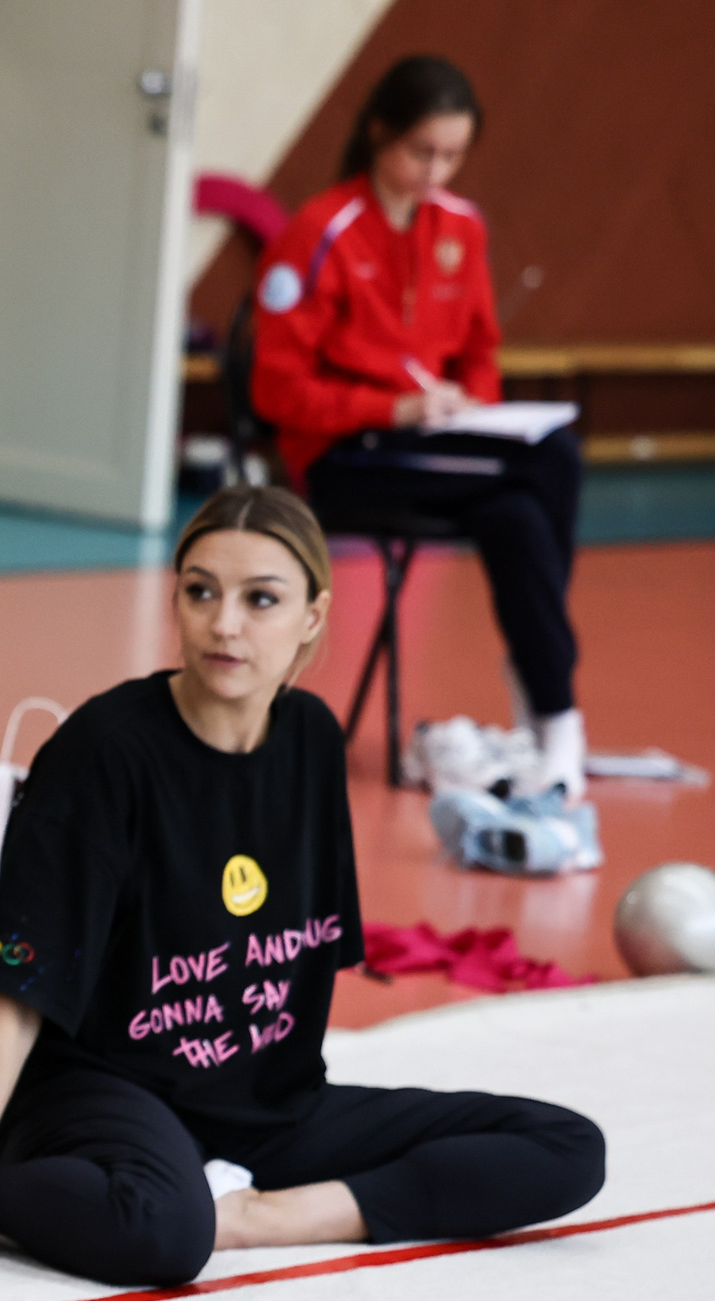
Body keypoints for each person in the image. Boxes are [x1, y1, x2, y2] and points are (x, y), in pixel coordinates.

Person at [0, 486, 603, 1289]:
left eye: (261, 599)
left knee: (566, 1147)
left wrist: (277, 1203)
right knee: (167, 1235)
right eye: (201, 591)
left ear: (312, 618)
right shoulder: (101, 752)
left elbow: (303, 958)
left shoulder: (315, 741)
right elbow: (17, 995)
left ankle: (259, 1214)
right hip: (99, 1092)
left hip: (264, 1105)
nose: (225, 623)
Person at [250, 54, 588, 797]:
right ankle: (552, 700)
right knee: (553, 460)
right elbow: (277, 390)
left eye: (454, 155)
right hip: (344, 455)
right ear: (380, 133)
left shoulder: (461, 228)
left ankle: (545, 688)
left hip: (433, 444)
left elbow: (481, 354)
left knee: (518, 516)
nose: (437, 171)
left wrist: (471, 402)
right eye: (422, 152)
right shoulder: (322, 230)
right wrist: (391, 408)